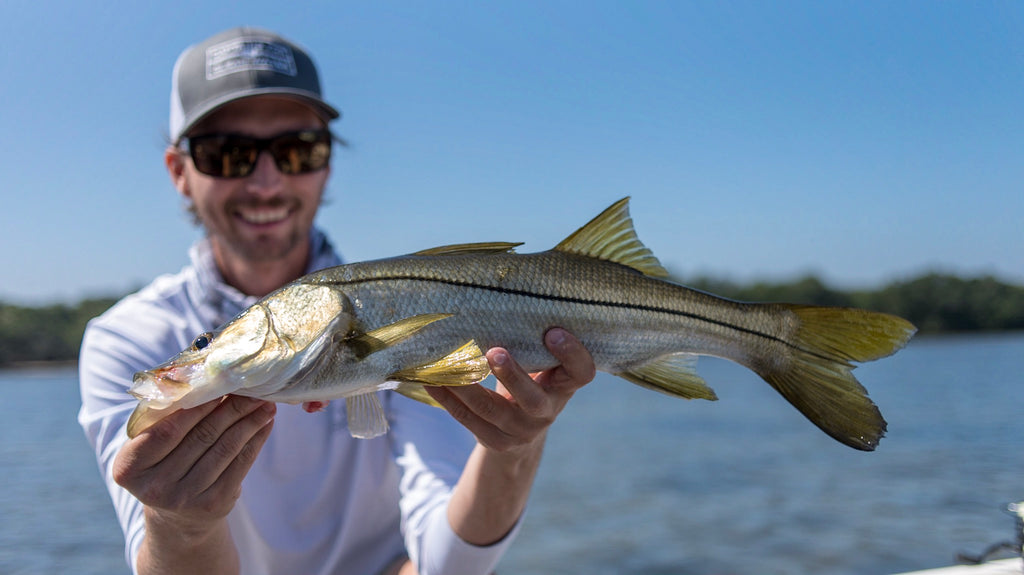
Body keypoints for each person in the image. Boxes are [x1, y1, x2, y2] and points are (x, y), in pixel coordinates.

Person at [78, 27, 596, 575]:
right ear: (180, 172)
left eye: (299, 149)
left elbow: (445, 564)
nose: (266, 182)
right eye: (228, 154)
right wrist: (180, 524)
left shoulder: (393, 305)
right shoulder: (125, 339)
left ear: (327, 164)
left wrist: (512, 449)